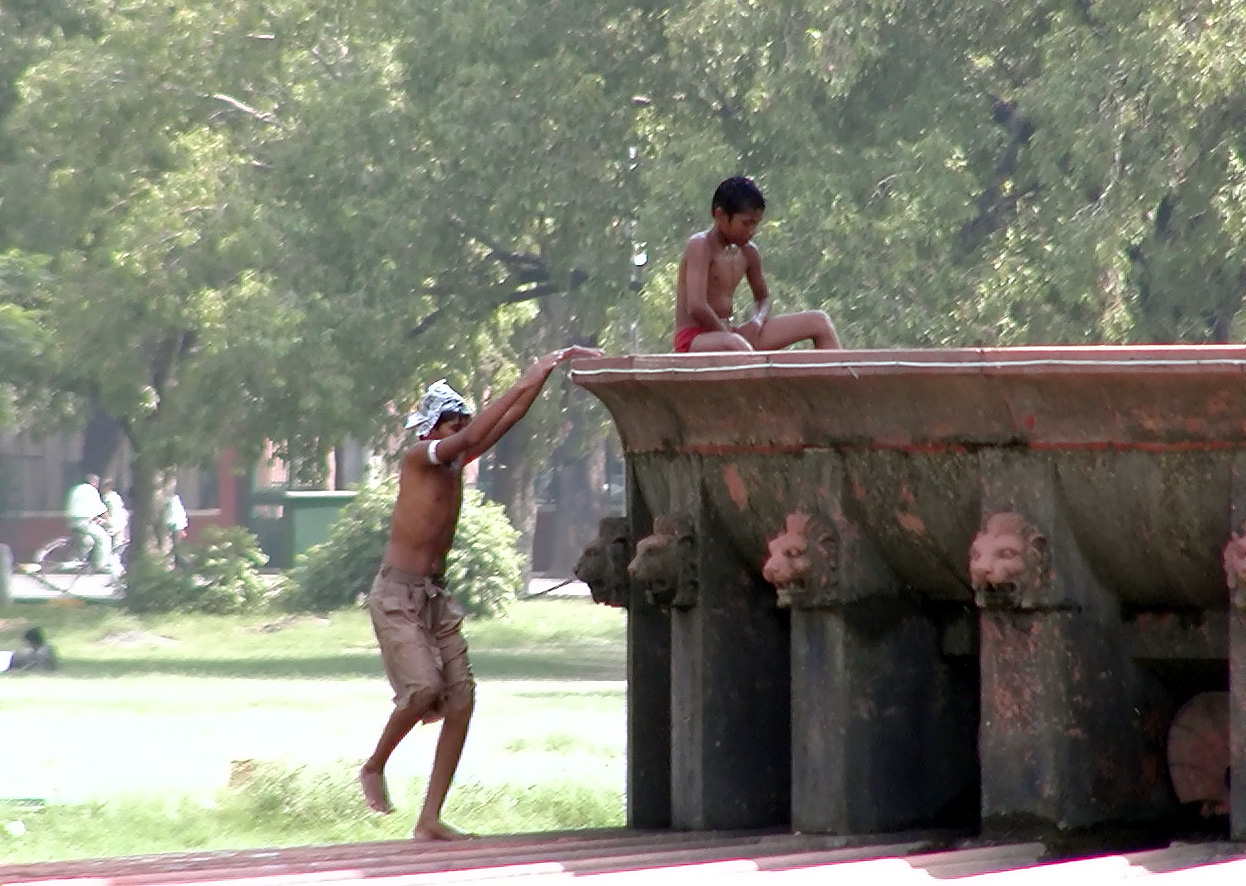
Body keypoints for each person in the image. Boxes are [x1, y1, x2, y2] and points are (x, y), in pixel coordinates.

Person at [358, 345, 602, 841]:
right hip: (397, 594)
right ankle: (374, 765)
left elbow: (504, 420)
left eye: (460, 424)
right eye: (451, 424)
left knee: (463, 700)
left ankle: (429, 819)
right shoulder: (420, 456)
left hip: (434, 595)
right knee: (424, 690)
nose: (460, 433)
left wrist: (540, 379)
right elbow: (473, 434)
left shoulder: (453, 458)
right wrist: (523, 376)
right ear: (432, 428)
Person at [673, 176, 841, 353]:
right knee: (736, 346)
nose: (751, 232)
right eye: (746, 224)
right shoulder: (700, 246)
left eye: (755, 224)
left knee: (819, 321)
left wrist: (757, 322)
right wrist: (729, 336)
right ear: (720, 215)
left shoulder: (748, 252)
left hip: (730, 334)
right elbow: (696, 306)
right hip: (694, 339)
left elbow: (763, 298)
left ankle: (845, 380)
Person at [64, 474, 111, 573]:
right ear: (93, 482)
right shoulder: (91, 490)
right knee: (104, 538)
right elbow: (101, 509)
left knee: (87, 542)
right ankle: (100, 565)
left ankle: (72, 563)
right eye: (97, 483)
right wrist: (108, 521)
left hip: (71, 520)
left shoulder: (75, 489)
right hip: (84, 521)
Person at [100, 478, 128, 577]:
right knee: (116, 550)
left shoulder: (107, 498)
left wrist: (104, 522)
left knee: (112, 551)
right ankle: (119, 570)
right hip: (121, 524)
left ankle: (117, 572)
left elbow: (107, 513)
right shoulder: (116, 497)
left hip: (114, 525)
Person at [164, 482, 188, 568]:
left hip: (174, 527)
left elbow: (173, 516)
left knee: (175, 549)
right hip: (177, 526)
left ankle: (185, 566)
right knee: (175, 548)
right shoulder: (174, 500)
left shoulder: (170, 501)